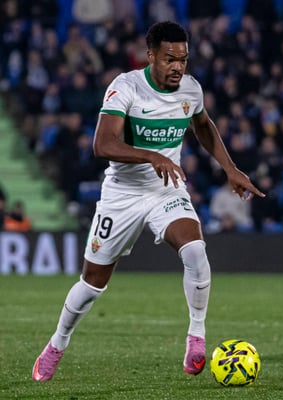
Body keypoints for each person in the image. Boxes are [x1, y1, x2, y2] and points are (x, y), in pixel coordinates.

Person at [32, 21, 265, 381]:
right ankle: (57, 344)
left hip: (165, 190)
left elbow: (203, 125)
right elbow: (102, 144)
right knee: (92, 284)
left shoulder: (191, 89)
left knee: (195, 250)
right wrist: (151, 155)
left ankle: (196, 337)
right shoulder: (126, 87)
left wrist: (230, 168)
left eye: (183, 60)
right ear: (151, 55)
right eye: (170, 59)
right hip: (122, 194)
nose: (178, 67)